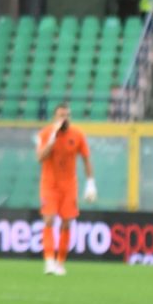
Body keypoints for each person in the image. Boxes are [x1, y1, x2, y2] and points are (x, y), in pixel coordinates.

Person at [36, 103, 96, 276]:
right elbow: (40, 157)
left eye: (67, 115)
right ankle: (49, 261)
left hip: (69, 185)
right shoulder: (45, 134)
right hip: (49, 184)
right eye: (61, 115)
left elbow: (86, 159)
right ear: (55, 117)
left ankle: (60, 262)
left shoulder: (77, 135)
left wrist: (91, 183)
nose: (64, 119)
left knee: (67, 222)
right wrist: (52, 140)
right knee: (48, 220)